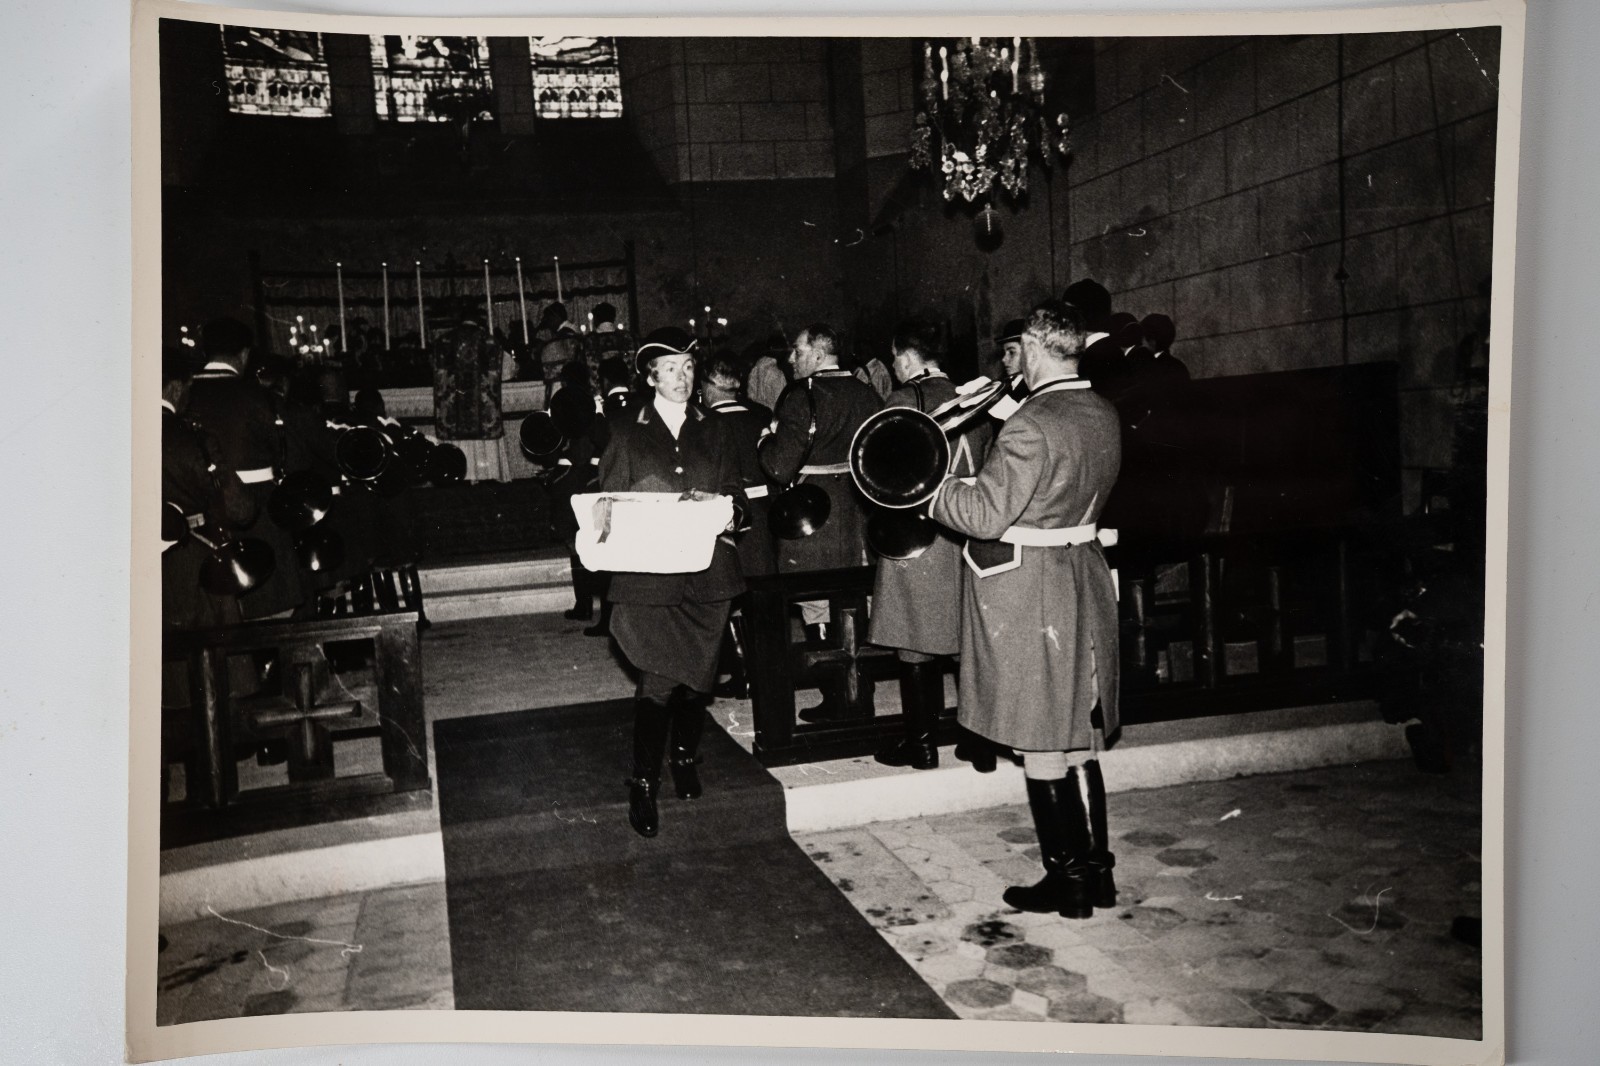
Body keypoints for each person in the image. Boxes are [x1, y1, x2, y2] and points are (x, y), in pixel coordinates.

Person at [927, 300, 1123, 920]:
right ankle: (1097, 873)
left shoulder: (1032, 423)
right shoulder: (1101, 410)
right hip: (1081, 576)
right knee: (1080, 735)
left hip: (1032, 586)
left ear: (1034, 348)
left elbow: (985, 514)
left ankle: (1065, 883)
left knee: (1042, 739)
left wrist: (930, 490)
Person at [598, 327, 747, 838]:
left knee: (694, 679)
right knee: (659, 680)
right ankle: (643, 784)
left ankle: (683, 756)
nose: (682, 378)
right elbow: (607, 501)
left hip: (707, 571)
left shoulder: (716, 427)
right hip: (650, 577)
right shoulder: (625, 429)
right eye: (670, 369)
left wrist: (728, 512)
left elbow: (736, 490)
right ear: (649, 376)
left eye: (688, 368)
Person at [868, 321, 988, 769]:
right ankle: (977, 741)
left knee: (913, 637)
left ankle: (920, 745)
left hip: (916, 533)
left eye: (896, 358)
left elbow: (879, 475)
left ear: (907, 357)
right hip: (965, 529)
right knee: (963, 636)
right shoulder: (973, 397)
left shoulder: (903, 401)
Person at [757, 323, 882, 721]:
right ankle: (862, 693)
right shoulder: (867, 393)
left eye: (796, 350)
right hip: (859, 509)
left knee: (816, 604)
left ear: (815, 353)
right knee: (855, 600)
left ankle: (836, 697)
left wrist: (765, 439)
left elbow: (779, 467)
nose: (791, 359)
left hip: (815, 513)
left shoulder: (802, 397)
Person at [184, 317, 307, 619]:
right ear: (244, 354)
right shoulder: (256, 395)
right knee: (273, 607)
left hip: (202, 516)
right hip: (257, 511)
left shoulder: (185, 395)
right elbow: (281, 453)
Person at [701, 352, 776, 699]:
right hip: (762, 515)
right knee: (761, 594)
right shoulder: (761, 415)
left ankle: (742, 671)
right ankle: (767, 670)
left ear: (709, 387)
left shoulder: (702, 422)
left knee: (726, 595)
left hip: (723, 516)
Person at [745, 331, 789, 411]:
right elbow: (782, 402)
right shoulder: (776, 373)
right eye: (781, 347)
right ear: (771, 348)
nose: (784, 352)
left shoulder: (755, 369)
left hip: (756, 415)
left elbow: (750, 396)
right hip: (772, 417)